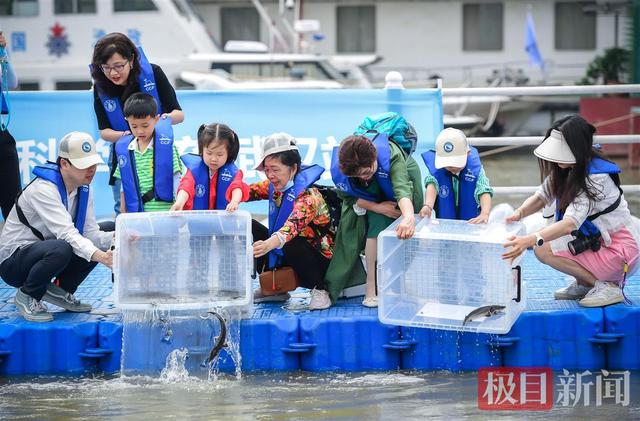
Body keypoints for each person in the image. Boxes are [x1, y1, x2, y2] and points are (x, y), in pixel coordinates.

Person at [502, 115, 640, 307]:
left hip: (619, 250)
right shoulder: (567, 168)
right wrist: (519, 213)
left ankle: (605, 286)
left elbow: (569, 224)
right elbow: (542, 196)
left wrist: (529, 239)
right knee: (544, 244)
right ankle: (586, 283)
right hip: (596, 242)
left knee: (541, 248)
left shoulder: (595, 178)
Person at [0, 132, 113, 322]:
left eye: (93, 163)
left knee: (109, 227)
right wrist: (104, 258)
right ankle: (28, 294)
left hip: (46, 253)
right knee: (63, 247)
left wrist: (122, 237)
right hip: (13, 263)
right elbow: (67, 234)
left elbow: (91, 235)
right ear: (64, 164)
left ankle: (60, 291)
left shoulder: (84, 188)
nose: (91, 169)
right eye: (83, 165)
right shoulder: (44, 189)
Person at [231, 133, 334, 310]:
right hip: (284, 247)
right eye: (267, 169)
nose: (270, 175)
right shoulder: (274, 186)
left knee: (290, 242)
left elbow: (291, 228)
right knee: (247, 225)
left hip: (317, 259)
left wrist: (268, 244)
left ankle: (320, 290)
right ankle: (274, 289)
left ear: (293, 168)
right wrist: (233, 195)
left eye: (275, 169)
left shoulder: (308, 196)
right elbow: (249, 191)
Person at [91, 32, 183, 216]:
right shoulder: (101, 87)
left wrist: (154, 124)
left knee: (164, 204)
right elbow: (104, 131)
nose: (113, 73)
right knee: (123, 209)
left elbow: (179, 114)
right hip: (124, 153)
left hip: (158, 150)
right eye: (106, 68)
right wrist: (131, 135)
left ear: (131, 60)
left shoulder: (153, 73)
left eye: (118, 66)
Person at [328, 132, 423, 308]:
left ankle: (400, 282)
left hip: (403, 176)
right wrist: (378, 207)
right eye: (358, 176)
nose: (363, 176)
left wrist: (408, 217)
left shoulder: (391, 156)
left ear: (374, 157)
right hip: (370, 193)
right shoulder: (348, 169)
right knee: (375, 225)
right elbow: (347, 196)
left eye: (366, 172)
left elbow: (402, 189)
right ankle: (371, 285)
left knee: (407, 226)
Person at [114, 93, 182, 213]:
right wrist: (123, 213)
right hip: (138, 215)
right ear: (127, 121)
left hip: (166, 213)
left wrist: (179, 205)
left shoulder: (167, 147)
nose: (140, 131)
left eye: (145, 125)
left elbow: (176, 177)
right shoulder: (126, 151)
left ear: (156, 120)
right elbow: (124, 184)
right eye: (134, 126)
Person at [419, 128, 493, 222]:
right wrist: (428, 206)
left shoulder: (476, 171)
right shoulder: (437, 171)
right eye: (448, 166)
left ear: (468, 153)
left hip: (471, 223)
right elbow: (432, 184)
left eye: (456, 164)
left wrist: (485, 213)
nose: (452, 169)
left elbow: (484, 190)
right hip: (446, 224)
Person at [171, 123, 246, 212]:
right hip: (197, 222)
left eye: (219, 154)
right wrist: (179, 202)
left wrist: (234, 202)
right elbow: (186, 187)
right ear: (202, 149)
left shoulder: (233, 173)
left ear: (228, 153)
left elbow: (237, 188)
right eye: (209, 153)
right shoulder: (194, 171)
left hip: (223, 222)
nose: (213, 159)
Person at [0, 31, 21, 220]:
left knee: (13, 205)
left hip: (2, 136)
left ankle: (17, 246)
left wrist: (3, 53)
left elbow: (12, 81)